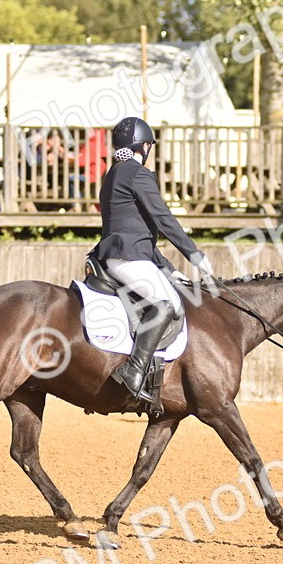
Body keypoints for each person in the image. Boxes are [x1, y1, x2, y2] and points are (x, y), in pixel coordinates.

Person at [90, 116, 213, 405]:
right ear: (144, 146)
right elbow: (163, 219)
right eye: (149, 146)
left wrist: (170, 271)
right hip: (127, 257)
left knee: (169, 293)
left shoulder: (114, 173)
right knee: (166, 304)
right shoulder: (137, 173)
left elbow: (140, 231)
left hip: (121, 254)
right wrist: (195, 255)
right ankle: (133, 371)